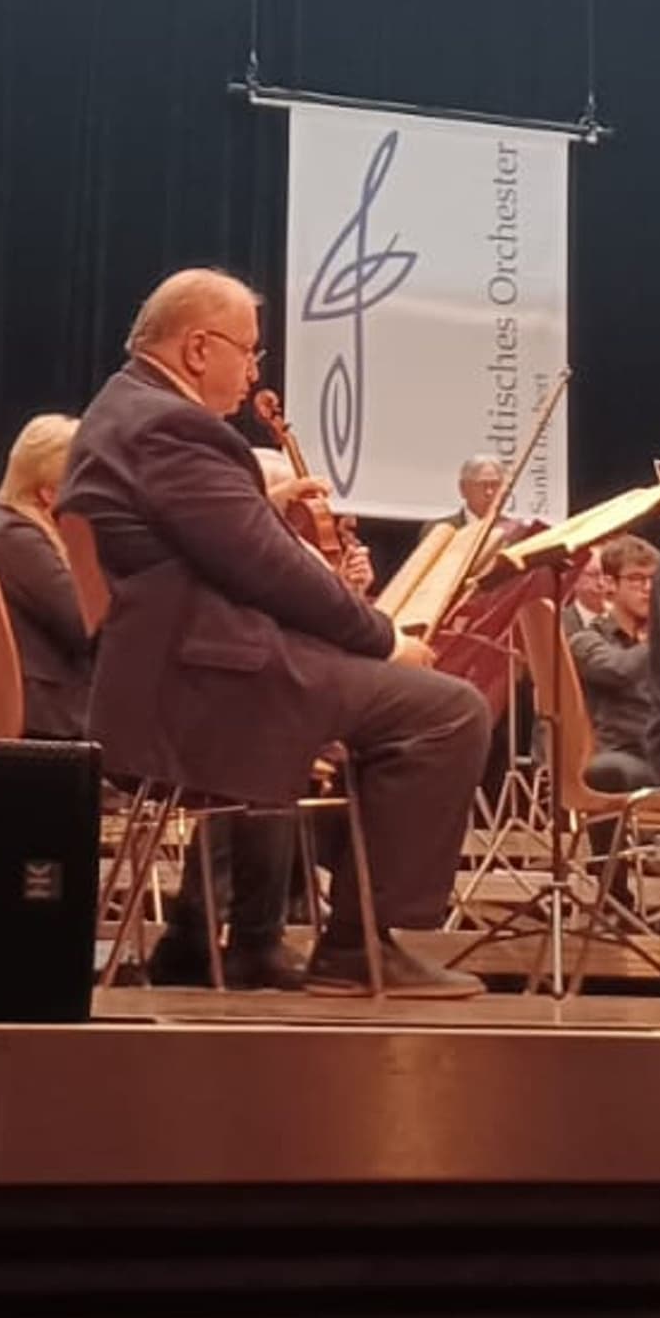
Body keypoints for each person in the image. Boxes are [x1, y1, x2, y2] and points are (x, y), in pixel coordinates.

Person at [65, 268, 490, 998]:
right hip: (208, 678)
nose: (255, 371)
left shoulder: (125, 408)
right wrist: (384, 637)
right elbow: (266, 567)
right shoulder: (173, 425)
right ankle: (358, 944)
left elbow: (220, 542)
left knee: (388, 703)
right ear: (199, 348)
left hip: (177, 668)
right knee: (446, 711)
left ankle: (211, 940)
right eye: (249, 352)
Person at [0, 413, 95, 739]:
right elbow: (86, 625)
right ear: (50, 493)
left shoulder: (5, 532)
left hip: (50, 711)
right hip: (52, 718)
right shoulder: (16, 540)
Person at [569, 535, 660, 791]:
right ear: (609, 583)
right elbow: (618, 670)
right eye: (636, 579)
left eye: (655, 579)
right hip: (623, 753)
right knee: (610, 771)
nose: (648, 588)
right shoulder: (585, 640)